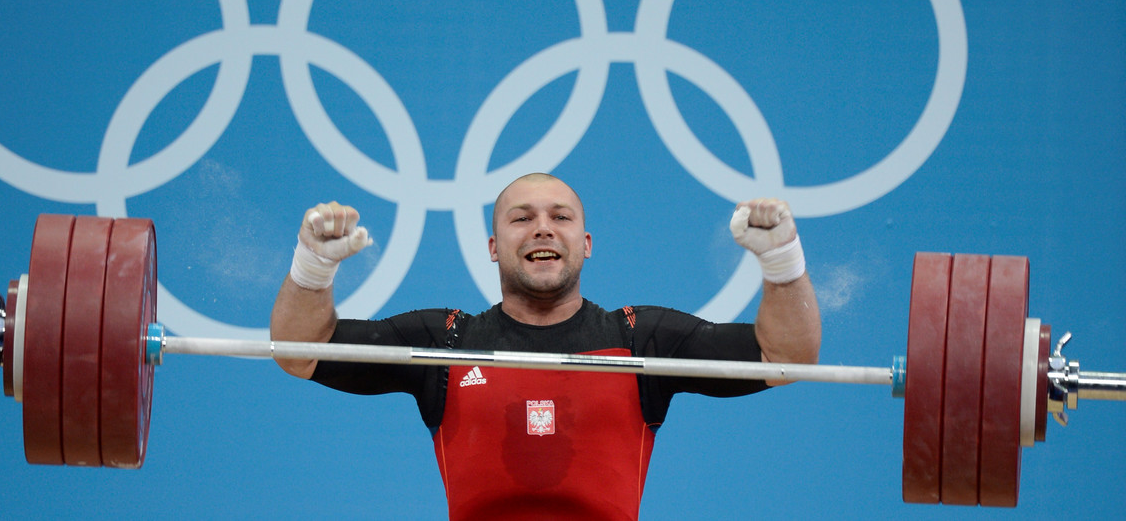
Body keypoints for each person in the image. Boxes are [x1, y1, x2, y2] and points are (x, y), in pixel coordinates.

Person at [271, 172, 820, 521]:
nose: (542, 229)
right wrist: (313, 265)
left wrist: (781, 262)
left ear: (585, 244)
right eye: (521, 218)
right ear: (493, 246)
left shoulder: (642, 340)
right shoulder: (446, 342)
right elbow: (300, 351)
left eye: (560, 218)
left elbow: (786, 359)